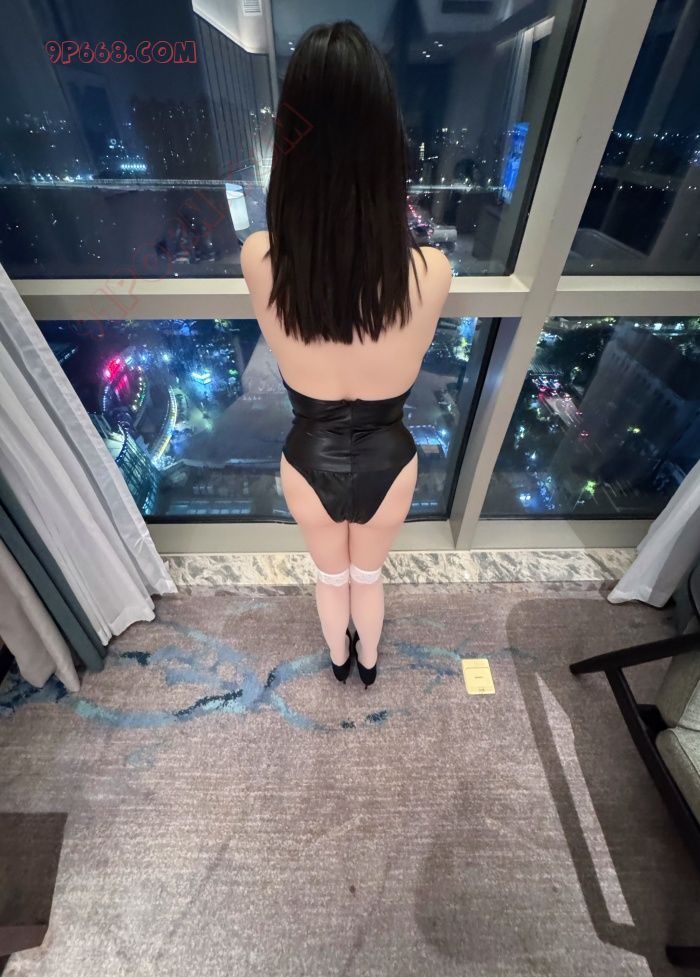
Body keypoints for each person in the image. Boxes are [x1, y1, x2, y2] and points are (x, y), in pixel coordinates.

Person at [241, 20, 452, 689]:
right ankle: (368, 663)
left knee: (331, 576)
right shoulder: (432, 271)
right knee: (369, 573)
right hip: (391, 457)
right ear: (387, 142)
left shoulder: (260, 258)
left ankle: (338, 660)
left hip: (308, 456)